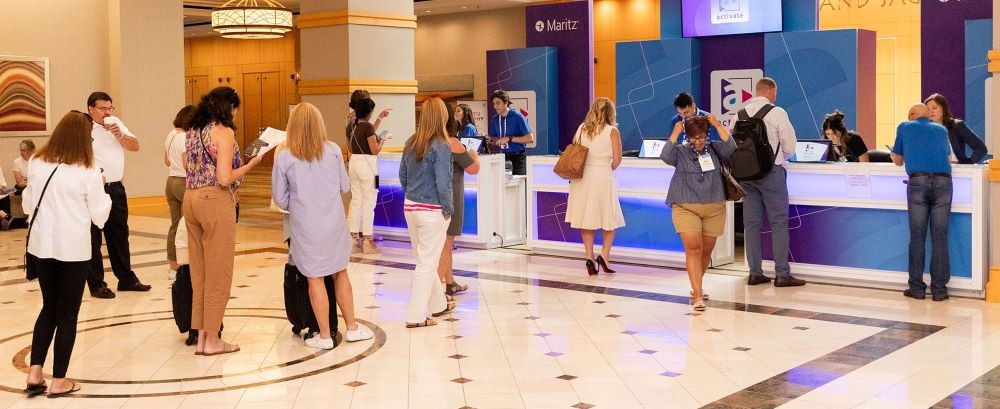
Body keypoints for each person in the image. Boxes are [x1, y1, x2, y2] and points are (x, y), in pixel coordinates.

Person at [23, 111, 112, 398]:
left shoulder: (36, 161)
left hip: (41, 247)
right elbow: (99, 215)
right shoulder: (89, 170)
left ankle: (35, 372)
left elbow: (27, 204)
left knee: (49, 306)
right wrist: (105, 188)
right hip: (72, 249)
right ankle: (59, 380)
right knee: (68, 312)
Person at [273, 103, 374, 349]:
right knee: (341, 273)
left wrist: (299, 204)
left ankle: (325, 336)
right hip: (334, 223)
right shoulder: (333, 151)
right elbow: (344, 186)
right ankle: (351, 328)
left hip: (305, 226)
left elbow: (280, 198)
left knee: (314, 278)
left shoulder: (284, 157)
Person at [185, 86, 264, 355]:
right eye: (235, 109)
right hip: (214, 201)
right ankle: (213, 340)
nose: (237, 114)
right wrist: (252, 164)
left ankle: (203, 338)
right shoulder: (224, 132)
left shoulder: (194, 131)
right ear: (228, 107)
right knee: (219, 272)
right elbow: (223, 178)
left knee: (200, 273)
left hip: (191, 199)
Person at [661, 115, 735, 311]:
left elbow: (731, 147)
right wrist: (676, 132)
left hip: (714, 206)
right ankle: (698, 296)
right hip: (685, 206)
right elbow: (665, 155)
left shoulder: (715, 149)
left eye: (702, 137)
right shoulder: (680, 151)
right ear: (688, 136)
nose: (699, 141)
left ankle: (696, 287)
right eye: (694, 138)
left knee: (706, 251)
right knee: (693, 247)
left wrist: (717, 124)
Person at [739, 78, 806, 287]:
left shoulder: (739, 115)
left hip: (746, 177)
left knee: (751, 226)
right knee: (778, 223)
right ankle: (782, 274)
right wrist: (779, 159)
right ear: (770, 91)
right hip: (771, 174)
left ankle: (754, 272)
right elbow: (790, 146)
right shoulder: (777, 113)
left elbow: (733, 145)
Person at [86, 91, 151, 299]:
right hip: (94, 188)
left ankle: (126, 278)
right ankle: (96, 284)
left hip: (116, 188)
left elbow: (136, 146)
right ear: (91, 109)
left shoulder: (115, 123)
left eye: (109, 108)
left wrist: (119, 135)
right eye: (102, 109)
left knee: (120, 235)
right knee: (94, 237)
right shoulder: (84, 126)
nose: (106, 113)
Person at [399, 97, 455, 328]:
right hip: (431, 210)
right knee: (426, 264)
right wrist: (448, 209)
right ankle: (415, 316)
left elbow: (402, 175)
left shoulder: (412, 141)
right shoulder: (441, 145)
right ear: (442, 117)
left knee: (424, 259)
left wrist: (412, 194)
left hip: (410, 207)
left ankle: (438, 305)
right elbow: (444, 183)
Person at [891, 104, 953, 302]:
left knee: (917, 236)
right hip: (944, 182)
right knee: (940, 237)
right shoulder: (942, 130)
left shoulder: (904, 127)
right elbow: (947, 157)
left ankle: (917, 289)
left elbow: (898, 160)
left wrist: (897, 155)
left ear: (911, 116)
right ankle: (939, 291)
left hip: (918, 181)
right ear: (928, 116)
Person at [565, 98, 626, 276]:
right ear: (610, 113)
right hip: (602, 177)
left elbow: (575, 149)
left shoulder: (582, 128)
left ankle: (590, 258)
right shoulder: (612, 131)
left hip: (582, 178)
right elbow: (617, 160)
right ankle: (604, 256)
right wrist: (606, 167)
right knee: (609, 218)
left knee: (587, 218)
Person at [438, 104, 480, 296]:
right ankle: (438, 291)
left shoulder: (429, 141)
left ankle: (449, 281)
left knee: (445, 241)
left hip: (433, 197)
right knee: (446, 242)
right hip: (451, 196)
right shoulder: (452, 142)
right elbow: (473, 168)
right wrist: (473, 154)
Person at [347, 94, 385, 254]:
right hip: (367, 165)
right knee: (369, 202)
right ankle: (368, 240)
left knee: (356, 201)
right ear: (369, 112)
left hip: (354, 163)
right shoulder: (368, 127)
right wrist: (382, 140)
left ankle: (353, 239)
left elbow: (350, 147)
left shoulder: (351, 126)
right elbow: (374, 150)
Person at [165, 105, 195, 280]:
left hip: (170, 181)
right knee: (188, 225)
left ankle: (173, 267)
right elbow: (186, 163)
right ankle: (186, 263)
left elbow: (166, 160)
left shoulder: (171, 134)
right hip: (183, 182)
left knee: (175, 225)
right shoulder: (185, 137)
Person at [924, 93, 989, 164]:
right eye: (928, 109)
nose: (931, 112)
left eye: (934, 108)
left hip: (956, 171)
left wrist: (967, 163)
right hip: (933, 171)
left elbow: (981, 148)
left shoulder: (957, 126)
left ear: (944, 108)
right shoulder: (925, 129)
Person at [488, 90, 535, 175]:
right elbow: (495, 140)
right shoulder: (495, 119)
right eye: (494, 103)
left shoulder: (517, 116)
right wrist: (489, 140)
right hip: (503, 157)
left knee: (519, 185)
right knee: (503, 185)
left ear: (506, 102)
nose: (495, 106)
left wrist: (509, 138)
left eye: (498, 103)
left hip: (518, 157)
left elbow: (530, 138)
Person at [10, 140, 36, 228]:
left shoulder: (36, 160)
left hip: (33, 185)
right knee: (27, 192)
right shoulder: (17, 161)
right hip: (21, 187)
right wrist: (30, 181)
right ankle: (27, 217)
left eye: (24, 150)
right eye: (21, 150)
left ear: (31, 150)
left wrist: (27, 180)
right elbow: (19, 182)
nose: (22, 152)